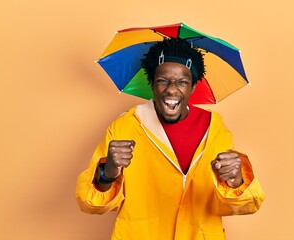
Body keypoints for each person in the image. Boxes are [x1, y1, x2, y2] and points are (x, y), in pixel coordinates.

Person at [76, 38, 264, 239]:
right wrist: (109, 171)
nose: (171, 89)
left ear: (192, 87)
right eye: (162, 80)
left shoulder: (214, 127)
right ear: (151, 84)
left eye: (182, 82)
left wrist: (235, 180)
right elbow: (91, 204)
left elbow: (246, 205)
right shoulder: (126, 125)